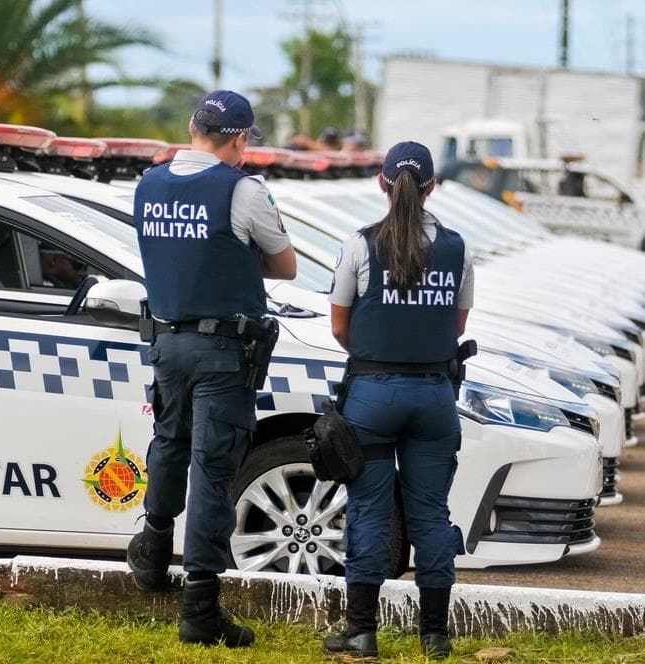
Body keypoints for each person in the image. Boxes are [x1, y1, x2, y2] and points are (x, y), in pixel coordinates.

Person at [128, 89, 297, 648]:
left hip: (167, 343)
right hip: (223, 350)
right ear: (239, 138)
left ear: (191, 126)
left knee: (169, 444)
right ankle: (200, 607)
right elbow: (286, 265)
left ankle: (152, 549)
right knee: (213, 470)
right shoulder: (243, 188)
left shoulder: (149, 184)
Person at [325, 141, 474, 660]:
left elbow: (340, 325)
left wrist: (377, 352)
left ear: (382, 183)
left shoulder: (358, 244)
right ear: (432, 186)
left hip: (371, 393)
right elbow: (456, 325)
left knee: (368, 510)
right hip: (434, 395)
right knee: (431, 513)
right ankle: (435, 634)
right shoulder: (457, 247)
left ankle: (361, 630)